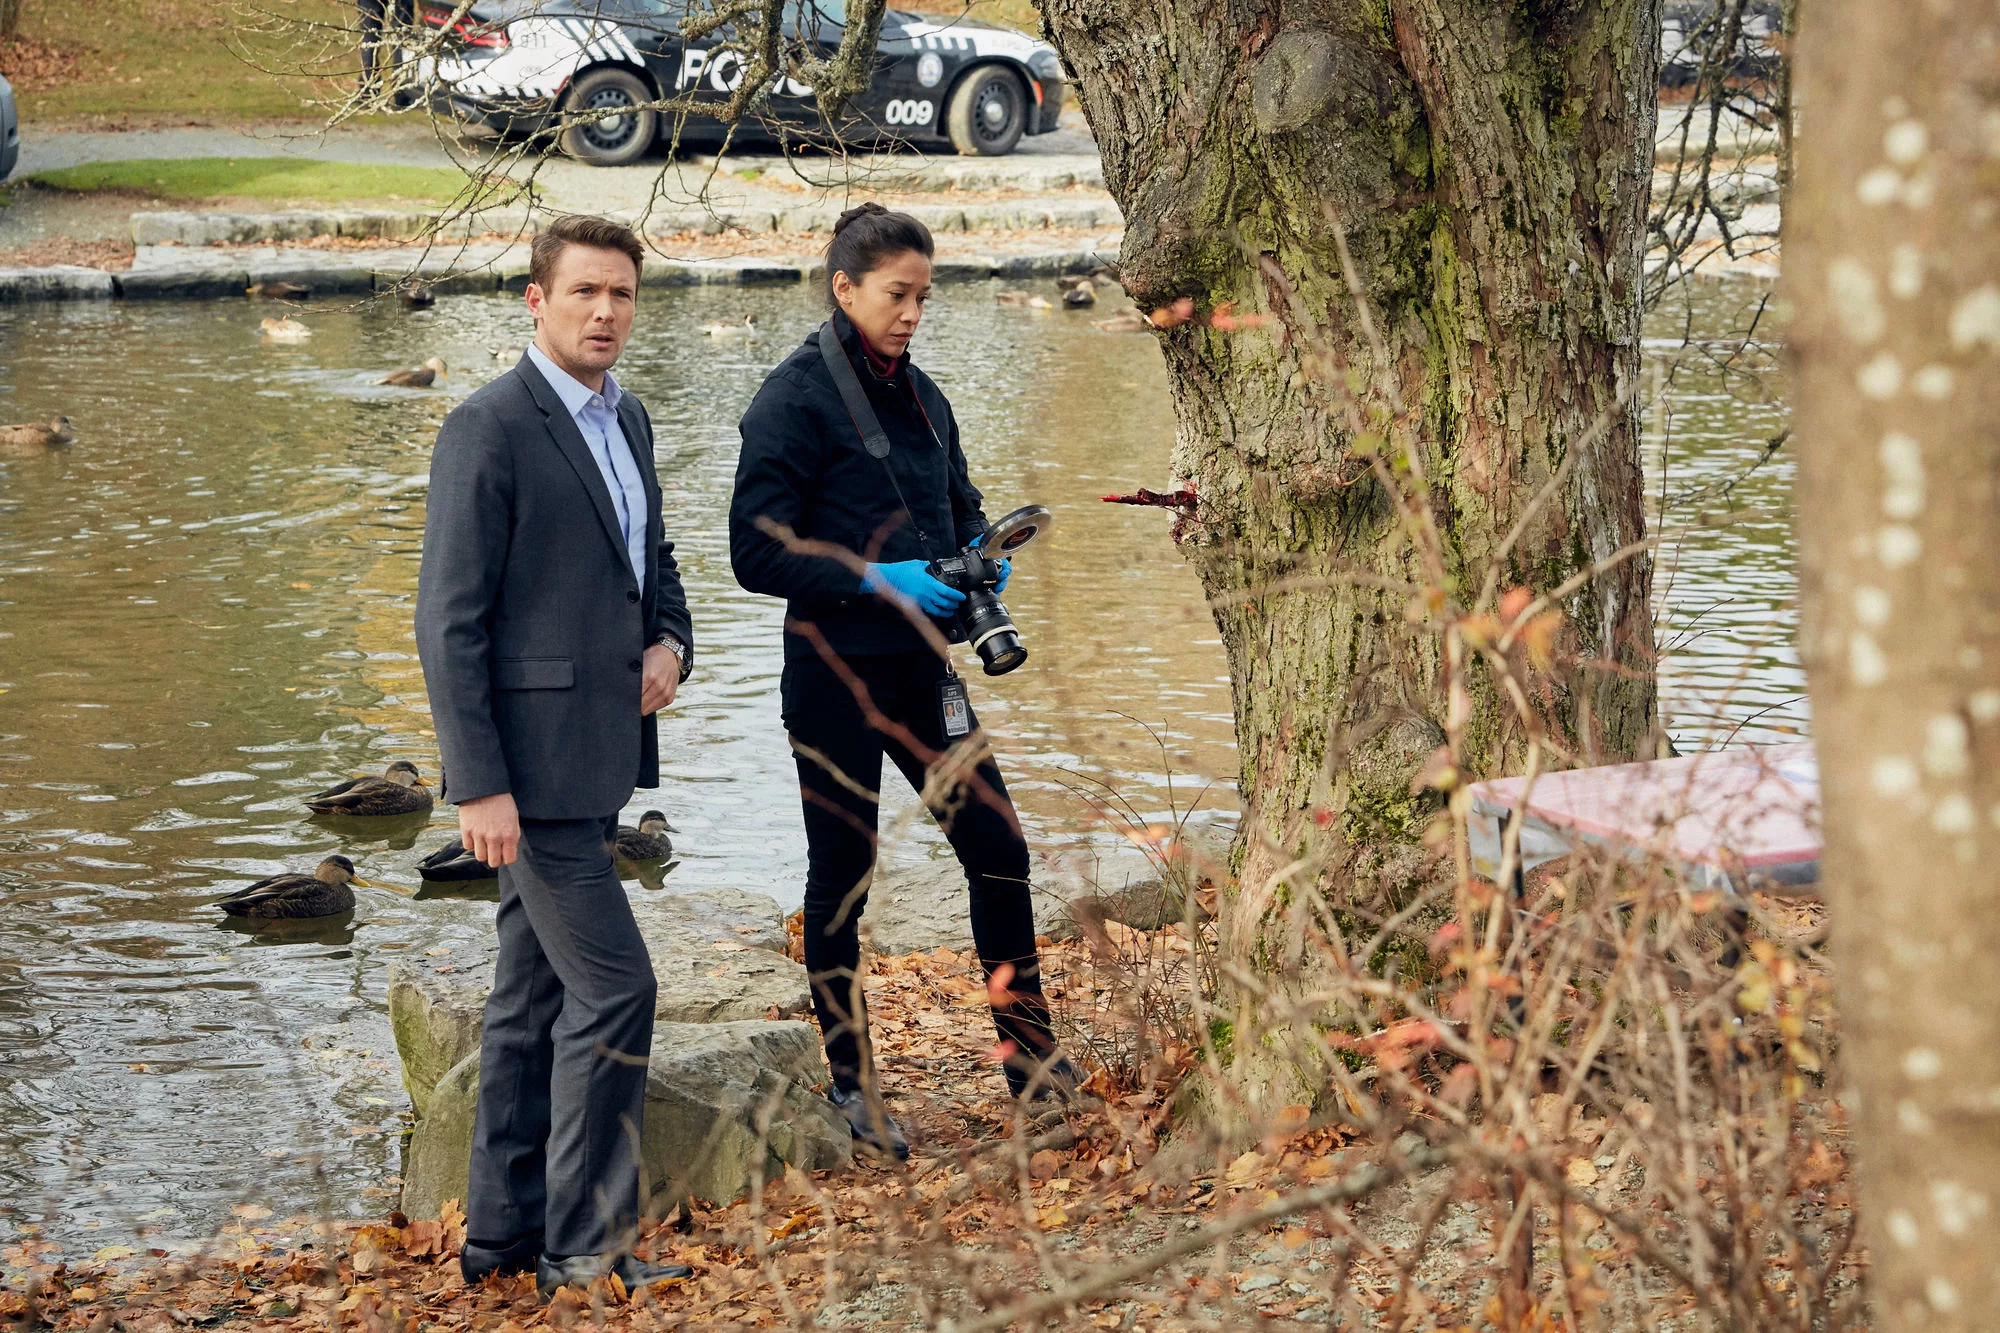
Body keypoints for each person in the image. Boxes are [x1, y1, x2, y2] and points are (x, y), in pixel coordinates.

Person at [729, 202, 1078, 1159]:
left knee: (999, 848)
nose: (913, 313)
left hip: (923, 669)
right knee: (842, 880)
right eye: (898, 295)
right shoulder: (790, 399)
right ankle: (853, 1084)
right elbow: (752, 554)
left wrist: (981, 555)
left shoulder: (926, 397)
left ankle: (1033, 1063)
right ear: (844, 288)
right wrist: (878, 578)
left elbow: (958, 507)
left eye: (924, 295)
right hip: (832, 675)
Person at [415, 214, 695, 1297]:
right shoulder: (486, 427)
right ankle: (584, 1247)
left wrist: (671, 642)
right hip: (525, 779)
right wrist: (479, 783)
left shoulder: (629, 418)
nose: (604, 312)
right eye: (584, 291)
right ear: (536, 300)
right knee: (619, 990)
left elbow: (650, 560)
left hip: (598, 761)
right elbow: (449, 623)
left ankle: (501, 1235)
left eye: (621, 293)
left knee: (530, 1005)